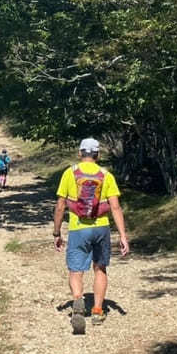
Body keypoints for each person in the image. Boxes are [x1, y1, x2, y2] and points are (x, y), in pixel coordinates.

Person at [53, 138, 129, 334]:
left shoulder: (70, 174)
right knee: (100, 268)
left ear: (80, 153)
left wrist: (57, 232)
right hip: (101, 227)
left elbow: (61, 205)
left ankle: (78, 300)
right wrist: (122, 235)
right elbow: (115, 207)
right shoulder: (106, 176)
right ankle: (97, 310)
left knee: (76, 269)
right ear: (98, 155)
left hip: (78, 228)